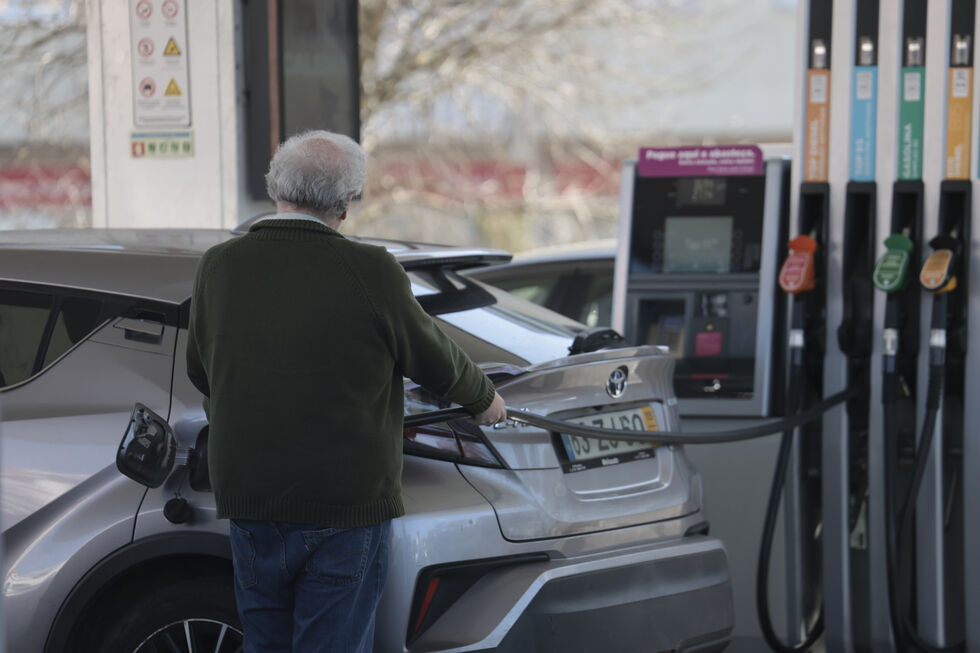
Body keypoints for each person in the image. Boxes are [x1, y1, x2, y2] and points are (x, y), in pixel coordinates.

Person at [185, 129, 507, 653]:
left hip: (249, 497)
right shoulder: (369, 270)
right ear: (345, 204)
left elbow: (201, 369)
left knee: (264, 643)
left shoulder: (217, 266)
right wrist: (485, 400)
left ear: (275, 187)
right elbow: (434, 356)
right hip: (342, 507)